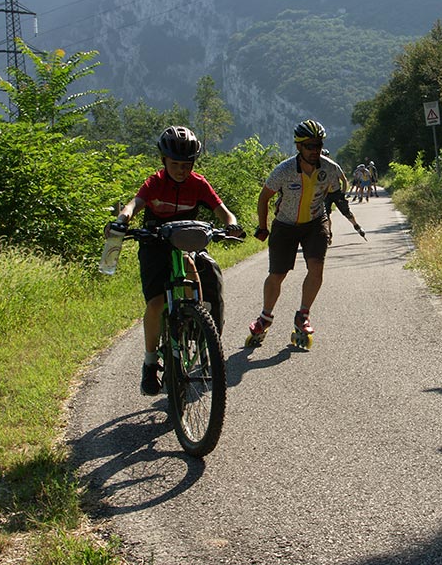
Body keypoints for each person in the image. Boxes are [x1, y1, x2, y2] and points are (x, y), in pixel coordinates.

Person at [107, 125, 243, 396]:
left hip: (186, 240)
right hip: (154, 242)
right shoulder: (155, 182)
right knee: (156, 302)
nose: (182, 169)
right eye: (176, 164)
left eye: (187, 164)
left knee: (207, 274)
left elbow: (224, 212)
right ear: (164, 161)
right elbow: (133, 205)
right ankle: (149, 363)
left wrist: (232, 225)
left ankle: (201, 326)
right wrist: (122, 221)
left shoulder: (198, 184)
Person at [248, 119, 345, 341]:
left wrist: (328, 223)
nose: (314, 150)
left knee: (316, 267)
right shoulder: (283, 170)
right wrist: (262, 227)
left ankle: (303, 315)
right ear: (298, 146)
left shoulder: (329, 169)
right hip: (285, 225)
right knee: (277, 274)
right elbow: (264, 198)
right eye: (309, 145)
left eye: (318, 145)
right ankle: (265, 317)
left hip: (314, 222)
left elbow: (332, 198)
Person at [322, 148, 366, 245]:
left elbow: (344, 179)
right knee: (326, 215)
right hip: (326, 194)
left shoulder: (334, 166)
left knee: (346, 212)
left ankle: (356, 226)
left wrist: (343, 192)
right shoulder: (317, 168)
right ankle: (328, 234)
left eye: (325, 156)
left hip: (336, 192)